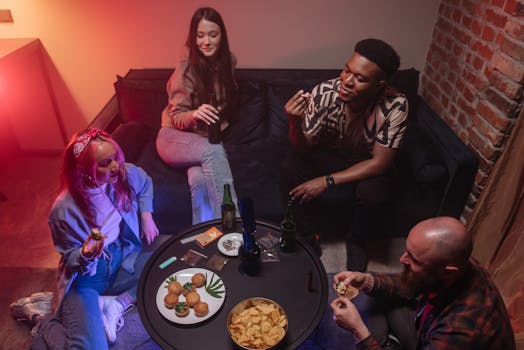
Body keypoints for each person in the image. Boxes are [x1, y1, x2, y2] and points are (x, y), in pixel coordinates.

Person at [10, 128, 160, 349]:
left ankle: (116, 303)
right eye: (104, 163)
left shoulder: (124, 175)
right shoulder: (63, 209)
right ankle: (42, 319)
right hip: (86, 279)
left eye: (115, 158)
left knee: (169, 265)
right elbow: (69, 258)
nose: (115, 167)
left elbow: (145, 182)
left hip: (121, 261)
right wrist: (85, 254)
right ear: (84, 170)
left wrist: (146, 214)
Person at [282, 38, 408, 271]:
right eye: (347, 70)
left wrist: (326, 181)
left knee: (374, 194)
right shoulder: (325, 92)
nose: (347, 81)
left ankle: (357, 241)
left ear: (379, 85)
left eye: (360, 79)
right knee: (290, 165)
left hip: (368, 161)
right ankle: (308, 237)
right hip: (334, 154)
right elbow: (303, 148)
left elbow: (380, 163)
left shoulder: (395, 105)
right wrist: (293, 123)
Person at [330, 216, 516, 350]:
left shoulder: (459, 330)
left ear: (448, 271)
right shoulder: (456, 265)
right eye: (407, 251)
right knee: (377, 296)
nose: (402, 259)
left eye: (414, 259)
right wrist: (367, 280)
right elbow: (412, 284)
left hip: (442, 338)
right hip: (428, 326)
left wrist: (359, 331)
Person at [156, 7, 239, 224]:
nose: (206, 42)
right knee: (213, 152)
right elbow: (178, 118)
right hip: (173, 137)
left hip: (201, 141)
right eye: (200, 35)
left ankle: (203, 237)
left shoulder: (228, 62)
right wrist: (195, 113)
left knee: (200, 182)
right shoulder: (186, 67)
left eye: (213, 34)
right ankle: (234, 227)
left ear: (222, 36)